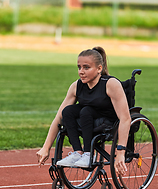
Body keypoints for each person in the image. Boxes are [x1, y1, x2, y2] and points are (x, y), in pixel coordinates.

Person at [36, 47, 131, 176]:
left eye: (86, 67)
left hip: (108, 120)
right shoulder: (76, 86)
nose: (81, 72)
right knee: (67, 111)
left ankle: (88, 154)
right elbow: (58, 117)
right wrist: (46, 147)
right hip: (87, 118)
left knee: (86, 110)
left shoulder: (111, 84)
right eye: (79, 67)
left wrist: (120, 152)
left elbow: (125, 118)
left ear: (99, 69)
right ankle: (78, 152)